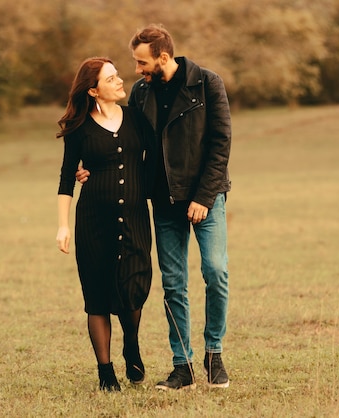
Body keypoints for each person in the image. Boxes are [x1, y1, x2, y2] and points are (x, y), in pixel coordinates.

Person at [77, 24, 232, 390]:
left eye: (142, 62)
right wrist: (89, 167)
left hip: (205, 198)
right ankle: (184, 366)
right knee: (174, 284)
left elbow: (220, 144)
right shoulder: (143, 93)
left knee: (215, 272)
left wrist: (203, 198)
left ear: (163, 57)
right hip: (163, 202)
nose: (137, 70)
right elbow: (126, 139)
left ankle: (214, 354)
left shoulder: (208, 84)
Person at [56, 57, 155, 392]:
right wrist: (63, 225)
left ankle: (132, 344)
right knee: (97, 295)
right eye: (111, 78)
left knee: (135, 287)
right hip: (93, 221)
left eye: (117, 76)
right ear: (94, 90)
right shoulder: (80, 128)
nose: (119, 81)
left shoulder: (136, 118)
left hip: (136, 218)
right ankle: (105, 372)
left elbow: (153, 157)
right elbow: (67, 178)